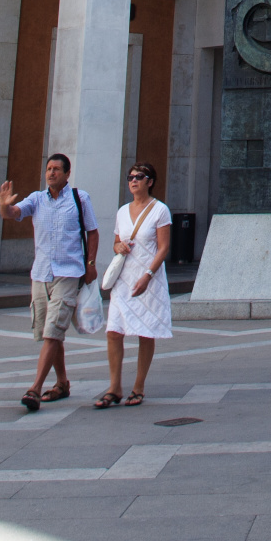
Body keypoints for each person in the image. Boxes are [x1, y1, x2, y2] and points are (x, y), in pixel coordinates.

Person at [0, 151, 97, 411]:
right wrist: (4, 204)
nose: (51, 172)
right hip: (41, 274)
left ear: (66, 174)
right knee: (49, 332)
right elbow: (12, 213)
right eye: (48, 168)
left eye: (56, 169)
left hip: (68, 273)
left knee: (54, 330)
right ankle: (62, 382)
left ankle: (35, 388)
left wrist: (90, 264)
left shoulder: (79, 198)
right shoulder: (37, 199)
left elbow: (92, 231)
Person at [95, 161, 172, 409]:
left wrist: (148, 275)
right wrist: (118, 246)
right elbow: (117, 242)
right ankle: (114, 387)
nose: (133, 180)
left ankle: (138, 387)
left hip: (148, 277)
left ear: (150, 182)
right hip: (125, 278)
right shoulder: (122, 211)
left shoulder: (160, 210)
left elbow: (163, 248)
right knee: (113, 331)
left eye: (139, 177)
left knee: (145, 331)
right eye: (130, 177)